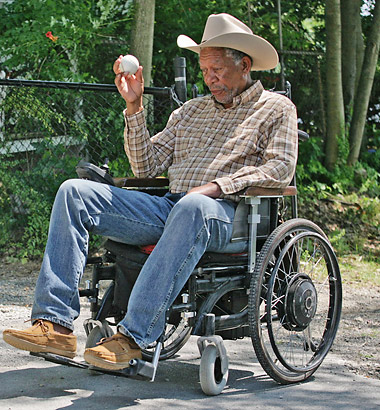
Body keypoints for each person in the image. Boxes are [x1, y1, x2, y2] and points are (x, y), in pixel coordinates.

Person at [3, 13, 298, 370]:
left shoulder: (276, 108)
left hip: (231, 216)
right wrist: (134, 106)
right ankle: (56, 325)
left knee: (194, 206)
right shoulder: (190, 111)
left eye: (217, 69)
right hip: (172, 208)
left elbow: (279, 168)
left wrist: (217, 187)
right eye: (204, 70)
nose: (209, 78)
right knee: (74, 192)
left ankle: (133, 337)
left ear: (245, 64)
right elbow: (145, 166)